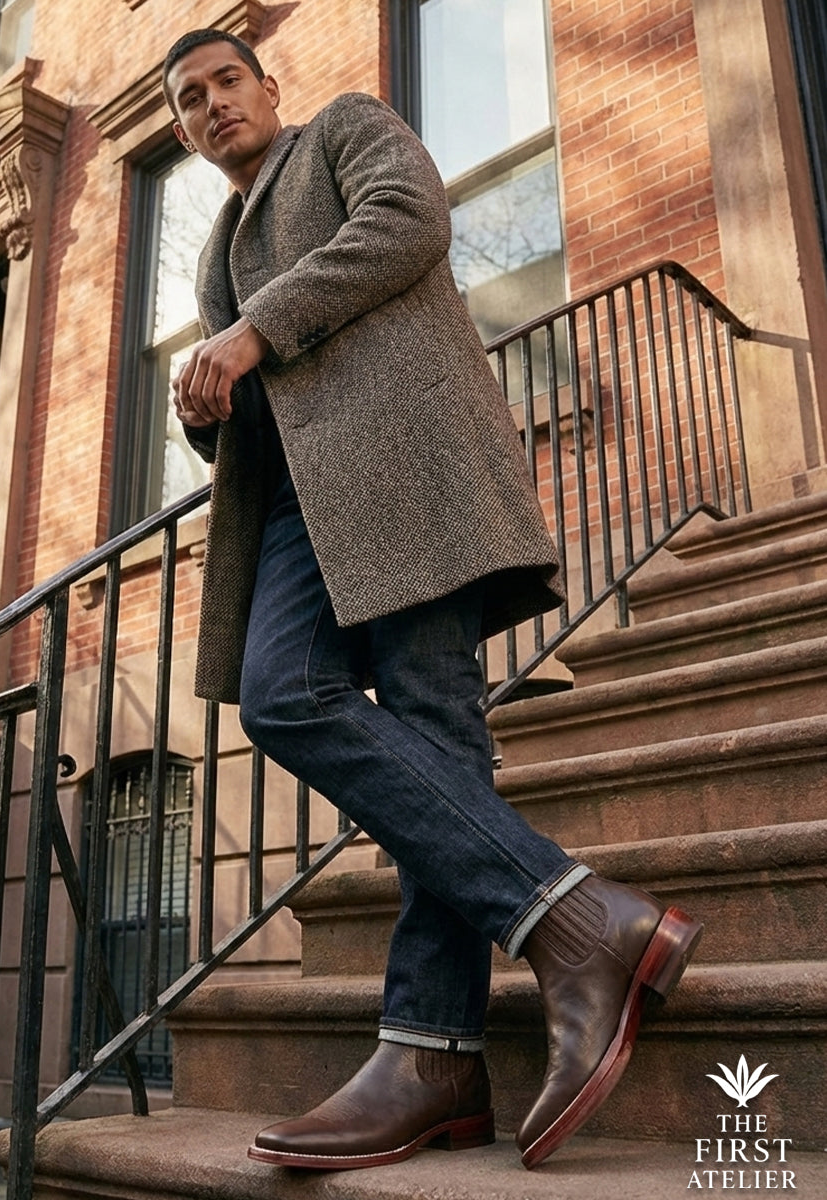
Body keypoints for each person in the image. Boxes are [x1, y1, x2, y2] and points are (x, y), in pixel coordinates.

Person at [162, 28, 703, 1173]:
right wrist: (208, 408)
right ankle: (572, 913)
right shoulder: (215, 248)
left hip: (413, 476)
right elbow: (268, 403)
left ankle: (433, 1055)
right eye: (186, 100)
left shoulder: (348, 129)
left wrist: (253, 333)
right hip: (303, 519)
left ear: (269, 88)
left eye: (226, 81)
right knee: (285, 694)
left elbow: (411, 222)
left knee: (433, 728)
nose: (211, 105)